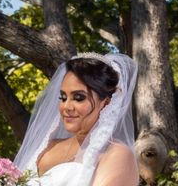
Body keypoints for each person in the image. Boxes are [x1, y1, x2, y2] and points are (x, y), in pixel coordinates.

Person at [14, 53, 139, 186]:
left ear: (106, 103)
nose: (66, 106)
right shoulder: (47, 147)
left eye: (78, 98)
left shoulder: (116, 154)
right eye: (63, 98)